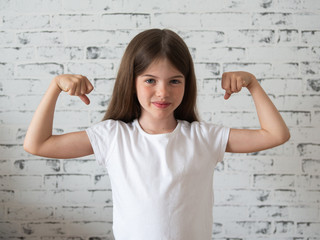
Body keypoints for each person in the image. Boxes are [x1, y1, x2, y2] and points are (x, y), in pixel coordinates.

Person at [24, 29, 290, 240]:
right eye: (150, 80)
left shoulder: (203, 138)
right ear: (132, 81)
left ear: (187, 84)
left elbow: (275, 134)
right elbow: (38, 144)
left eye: (174, 81)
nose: (163, 92)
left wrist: (253, 85)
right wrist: (54, 87)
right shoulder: (114, 136)